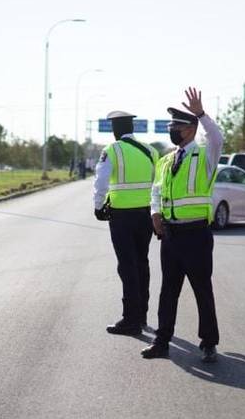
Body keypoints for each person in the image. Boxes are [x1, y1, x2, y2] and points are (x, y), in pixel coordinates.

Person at [141, 87, 223, 363]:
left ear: (190, 129)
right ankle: (162, 341)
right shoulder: (165, 160)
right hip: (171, 235)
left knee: (202, 289)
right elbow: (156, 190)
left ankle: (209, 343)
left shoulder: (206, 155)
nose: (171, 129)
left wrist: (201, 113)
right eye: (170, 125)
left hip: (196, 234)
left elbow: (217, 136)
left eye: (175, 125)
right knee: (168, 290)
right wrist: (155, 213)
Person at [93, 110, 159, 336]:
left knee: (127, 265)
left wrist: (98, 206)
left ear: (115, 130)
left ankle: (130, 319)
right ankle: (141, 315)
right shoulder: (151, 151)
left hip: (122, 216)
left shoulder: (112, 150)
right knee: (142, 263)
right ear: (131, 128)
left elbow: (101, 181)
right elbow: (156, 184)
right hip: (146, 214)